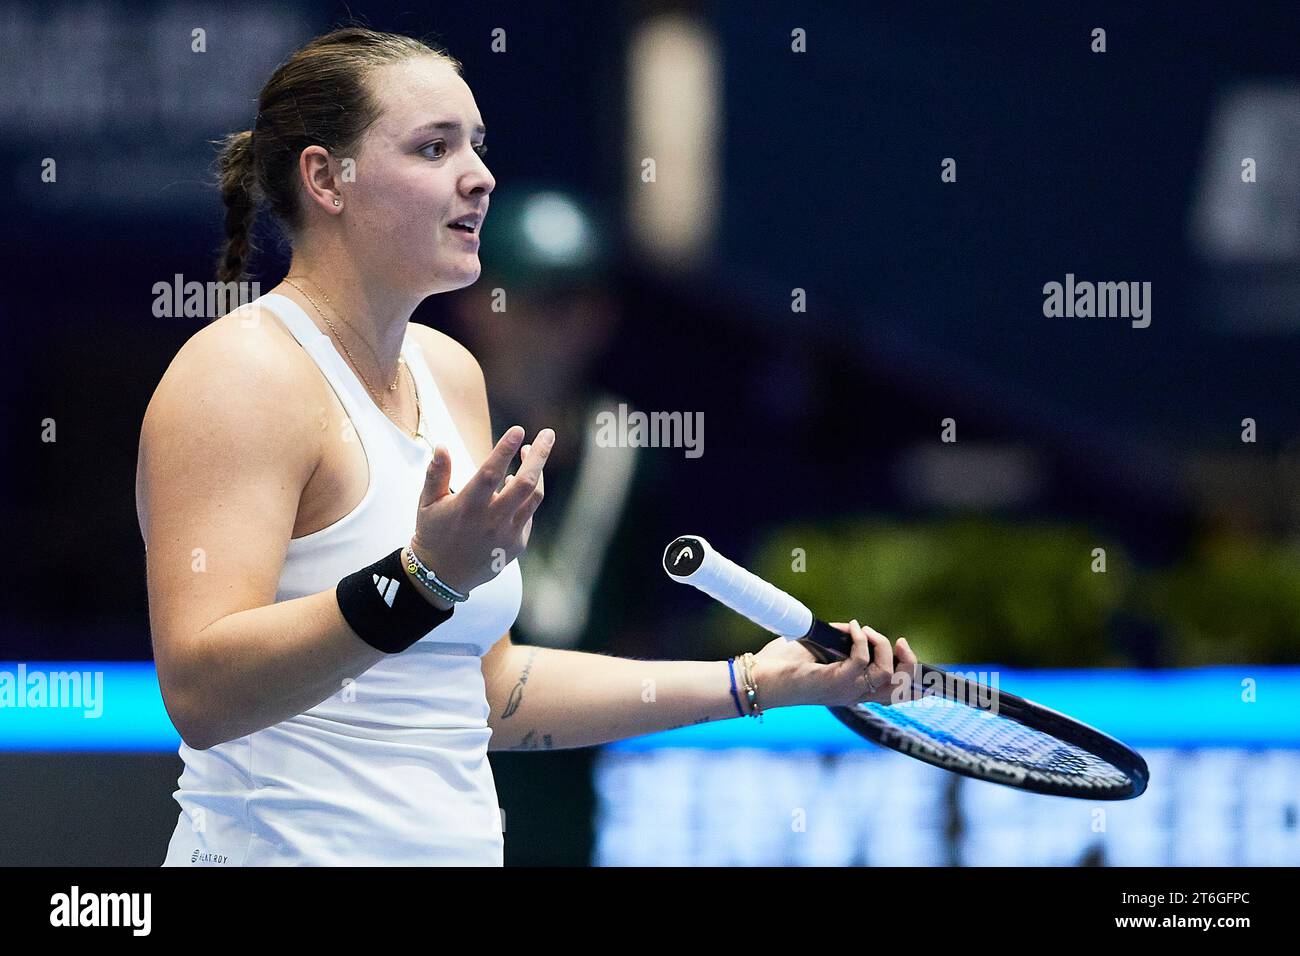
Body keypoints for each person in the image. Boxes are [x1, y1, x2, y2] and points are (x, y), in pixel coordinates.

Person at [135, 26, 918, 866]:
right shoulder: (240, 374)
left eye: (477, 145)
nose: (479, 175)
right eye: (433, 147)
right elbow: (201, 693)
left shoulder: (450, 374)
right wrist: (421, 580)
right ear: (327, 177)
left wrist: (754, 683)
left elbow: (490, 690)